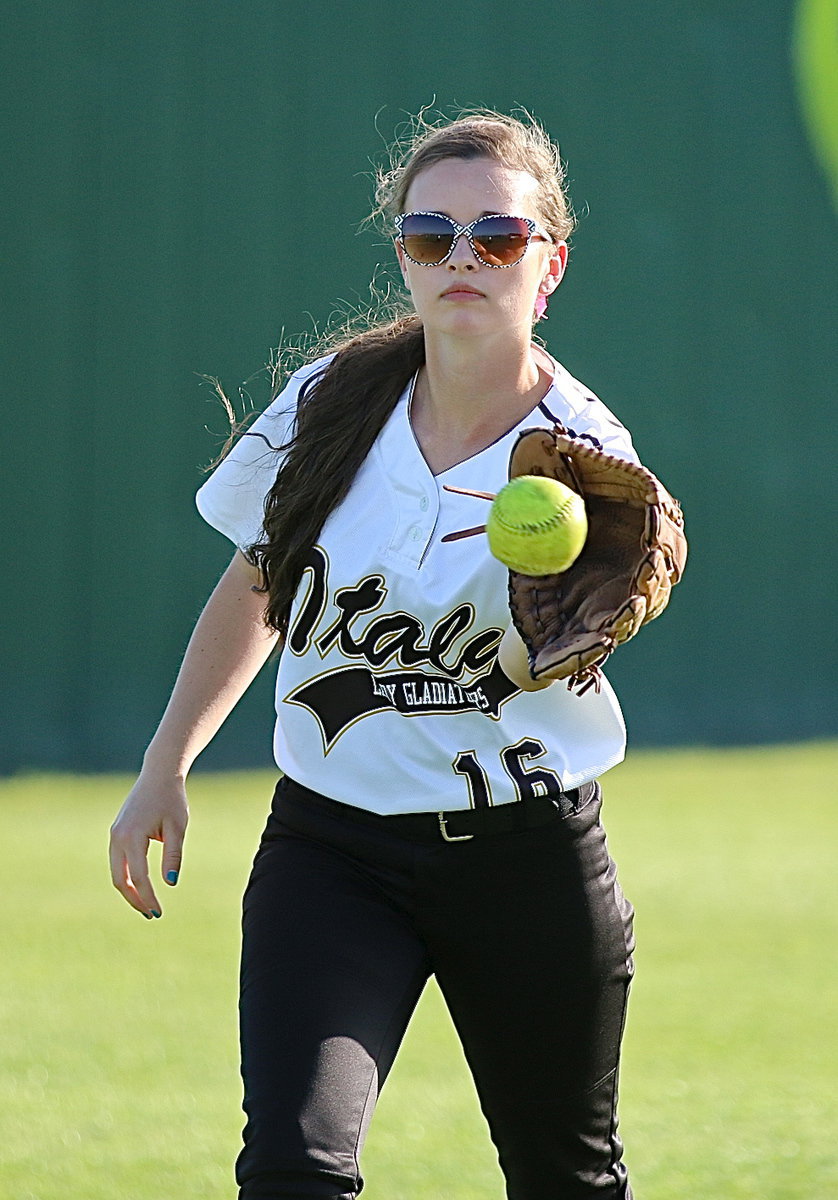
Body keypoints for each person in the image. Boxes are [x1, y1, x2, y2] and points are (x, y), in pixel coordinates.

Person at [110, 110, 652, 1200]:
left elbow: (600, 625)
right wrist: (165, 762)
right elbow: (259, 581)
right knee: (291, 1169)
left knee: (566, 1178)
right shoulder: (328, 406)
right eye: (428, 235)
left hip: (527, 854)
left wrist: (597, 604)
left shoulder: (588, 463)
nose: (461, 259)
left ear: (547, 266)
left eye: (495, 237)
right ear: (401, 255)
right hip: (333, 850)